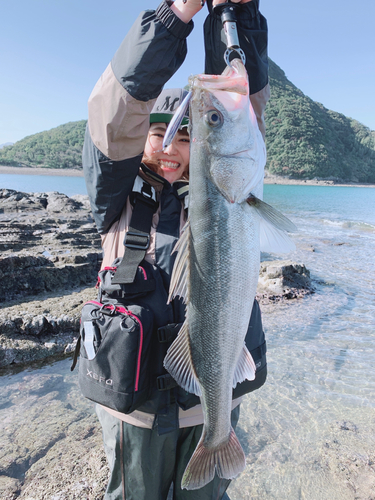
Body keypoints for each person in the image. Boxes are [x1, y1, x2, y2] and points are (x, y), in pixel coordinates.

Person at [82, 0, 269, 498]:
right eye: (156, 132)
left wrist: (238, 18)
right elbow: (113, 110)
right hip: (134, 413)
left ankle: (217, 435)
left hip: (208, 405)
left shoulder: (224, 192)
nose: (168, 148)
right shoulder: (115, 201)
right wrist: (174, 16)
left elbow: (241, 108)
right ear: (136, 136)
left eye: (184, 137)